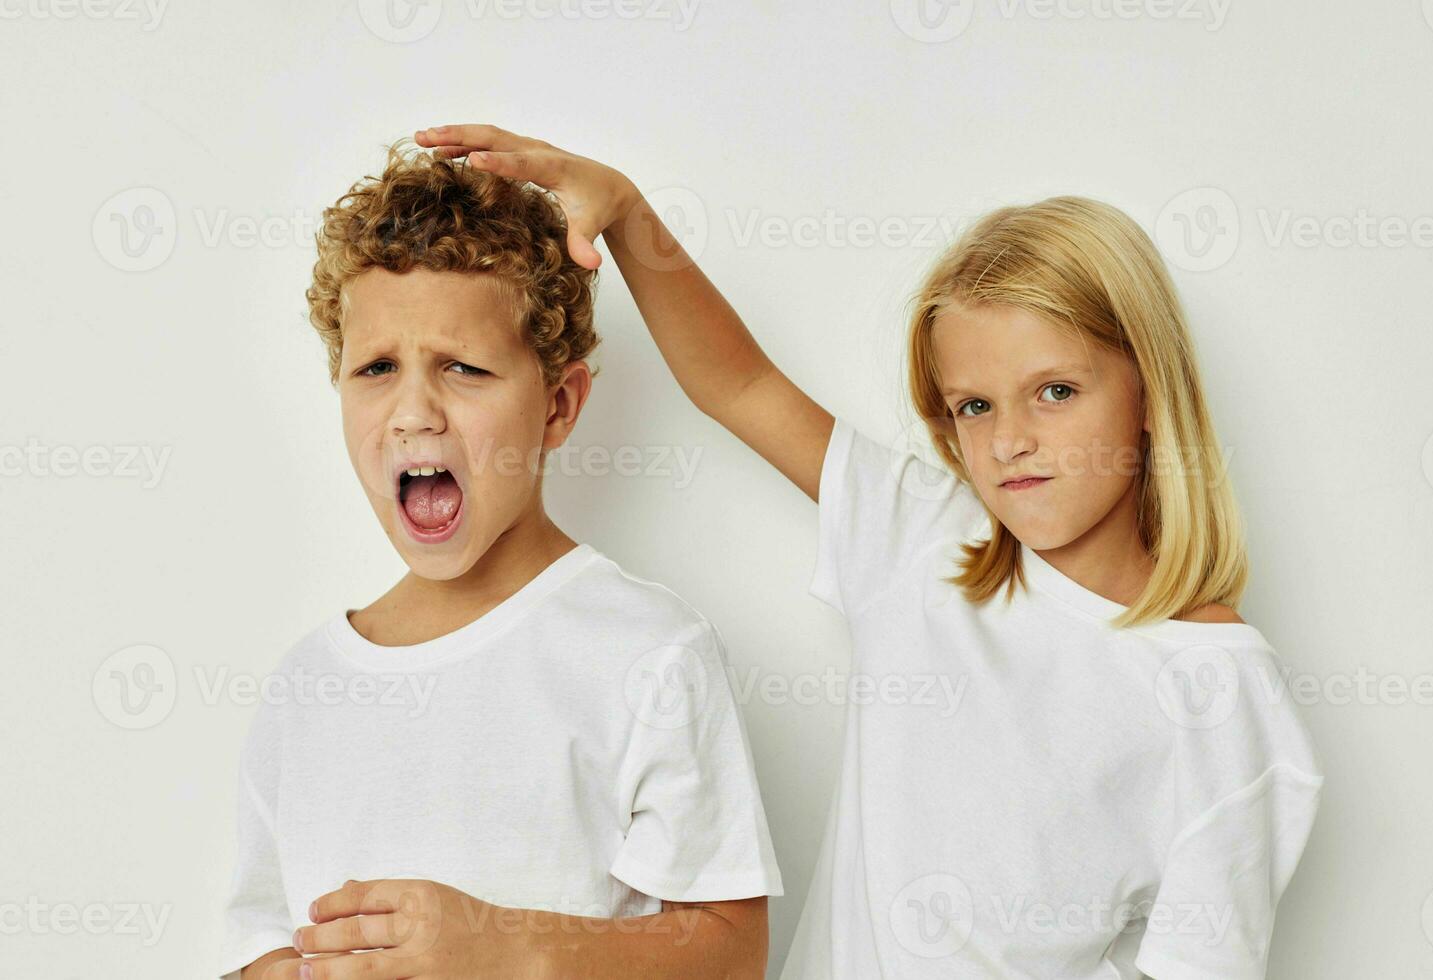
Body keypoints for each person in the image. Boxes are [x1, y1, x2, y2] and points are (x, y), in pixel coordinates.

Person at [414, 122, 1326, 979]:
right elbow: (736, 382)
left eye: (1054, 391)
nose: (1009, 440)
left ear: (1148, 389)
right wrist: (628, 214)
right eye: (974, 405)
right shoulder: (926, 540)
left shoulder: (1226, 694)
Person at [218, 137, 783, 980]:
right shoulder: (306, 685)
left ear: (559, 405)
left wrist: (504, 946)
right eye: (375, 367)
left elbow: (730, 954)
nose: (413, 413)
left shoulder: (647, 651)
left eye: (464, 368)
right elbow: (255, 945)